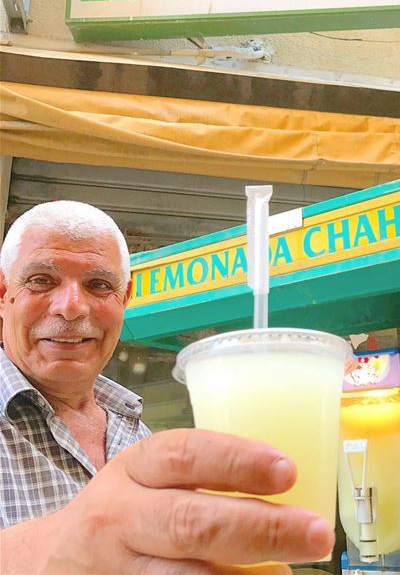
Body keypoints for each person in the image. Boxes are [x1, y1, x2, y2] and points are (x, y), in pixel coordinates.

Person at [0, 201, 334, 574]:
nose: (72, 307)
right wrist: (60, 543)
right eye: (42, 280)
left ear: (124, 298)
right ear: (2, 293)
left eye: (99, 285)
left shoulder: (135, 432)